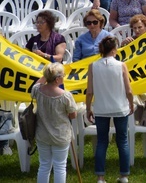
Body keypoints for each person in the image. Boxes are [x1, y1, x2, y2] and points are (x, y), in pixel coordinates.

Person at [86, 36, 133, 183]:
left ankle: (100, 177)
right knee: (122, 141)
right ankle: (124, 175)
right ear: (114, 50)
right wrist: (131, 104)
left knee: (102, 142)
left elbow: (89, 91)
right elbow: (129, 90)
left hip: (101, 108)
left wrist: (88, 108)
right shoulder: (121, 65)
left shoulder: (93, 65)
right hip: (120, 107)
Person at [32, 62, 77, 183]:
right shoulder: (66, 96)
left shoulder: (37, 90)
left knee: (44, 165)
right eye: (63, 75)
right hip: (60, 135)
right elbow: (73, 115)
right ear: (57, 79)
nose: (64, 77)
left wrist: (47, 73)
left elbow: (38, 83)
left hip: (43, 134)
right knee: (60, 167)